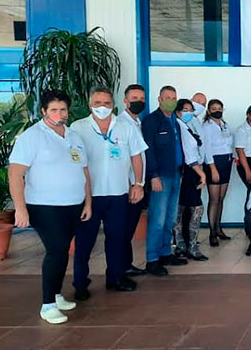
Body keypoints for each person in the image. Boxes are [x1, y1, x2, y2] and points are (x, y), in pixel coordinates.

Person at [8, 90, 93, 324]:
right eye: (54, 109)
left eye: (63, 109)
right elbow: (15, 174)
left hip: (73, 205)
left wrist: (88, 201)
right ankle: (47, 305)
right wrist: (20, 208)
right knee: (56, 251)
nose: (59, 113)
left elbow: (84, 171)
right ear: (44, 111)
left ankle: (56, 294)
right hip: (44, 206)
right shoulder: (32, 136)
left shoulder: (73, 136)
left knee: (63, 250)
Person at [70, 87, 147, 300]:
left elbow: (136, 157)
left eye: (106, 103)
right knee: (85, 241)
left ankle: (115, 278)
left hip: (118, 192)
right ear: (89, 104)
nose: (102, 107)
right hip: (89, 196)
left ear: (113, 105)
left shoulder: (125, 127)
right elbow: (72, 159)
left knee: (117, 239)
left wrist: (138, 184)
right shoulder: (78, 128)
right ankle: (80, 283)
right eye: (97, 103)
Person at [142, 85, 187, 276]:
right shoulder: (152, 121)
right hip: (160, 176)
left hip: (176, 173)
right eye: (167, 97)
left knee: (170, 218)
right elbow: (148, 150)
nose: (171, 100)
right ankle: (152, 259)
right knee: (158, 219)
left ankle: (165, 253)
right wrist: (154, 176)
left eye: (174, 97)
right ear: (159, 99)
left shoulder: (174, 120)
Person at [119, 84, 149, 277]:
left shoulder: (137, 122)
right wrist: (134, 184)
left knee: (128, 228)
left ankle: (126, 264)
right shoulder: (121, 125)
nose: (139, 102)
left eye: (141, 99)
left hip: (137, 185)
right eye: (134, 99)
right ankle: (121, 267)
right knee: (124, 228)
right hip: (129, 186)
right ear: (125, 101)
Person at [173, 99, 208, 261]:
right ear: (178, 110)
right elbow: (189, 154)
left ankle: (185, 244)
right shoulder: (178, 125)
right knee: (194, 208)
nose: (189, 112)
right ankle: (187, 245)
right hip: (188, 171)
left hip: (191, 170)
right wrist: (201, 173)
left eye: (190, 109)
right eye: (185, 109)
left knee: (185, 208)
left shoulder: (186, 125)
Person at [202, 99, 234, 246]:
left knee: (221, 198)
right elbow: (206, 148)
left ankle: (218, 228)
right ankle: (212, 233)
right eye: (214, 108)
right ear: (208, 111)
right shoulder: (206, 127)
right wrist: (212, 168)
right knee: (214, 200)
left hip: (226, 162)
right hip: (213, 163)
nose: (217, 110)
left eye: (220, 108)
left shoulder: (224, 125)